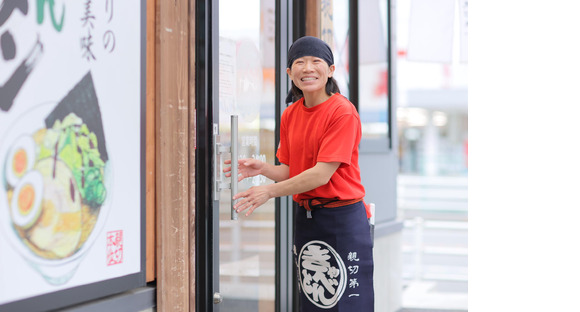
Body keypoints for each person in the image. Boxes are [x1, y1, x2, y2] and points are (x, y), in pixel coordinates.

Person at [224, 36, 374, 311]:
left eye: (316, 61)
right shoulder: (290, 114)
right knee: (314, 301)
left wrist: (267, 191)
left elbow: (320, 175)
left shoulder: (342, 112)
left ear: (330, 70)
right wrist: (265, 169)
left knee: (349, 303)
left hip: (342, 219)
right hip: (307, 219)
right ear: (289, 73)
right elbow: (294, 172)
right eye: (300, 62)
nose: (308, 68)